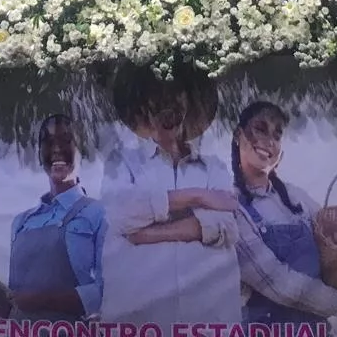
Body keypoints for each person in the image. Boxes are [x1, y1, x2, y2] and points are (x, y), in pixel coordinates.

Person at [100, 64, 240, 331]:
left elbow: (227, 225)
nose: (169, 105)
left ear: (188, 103)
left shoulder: (215, 167)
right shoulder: (122, 163)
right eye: (158, 96)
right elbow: (122, 216)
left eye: (177, 96)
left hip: (210, 320)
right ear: (143, 107)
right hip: (140, 321)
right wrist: (197, 196)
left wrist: (146, 233)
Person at [232, 102, 337, 325]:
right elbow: (277, 283)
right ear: (239, 135)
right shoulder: (230, 206)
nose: (270, 141)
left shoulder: (295, 197)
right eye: (260, 129)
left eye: (277, 135)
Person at [0, 115, 105, 322]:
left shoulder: (97, 213)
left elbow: (104, 295)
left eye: (66, 140)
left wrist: (43, 300)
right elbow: (14, 309)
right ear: (39, 155)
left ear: (81, 150)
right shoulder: (21, 223)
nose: (56, 149)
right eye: (48, 142)